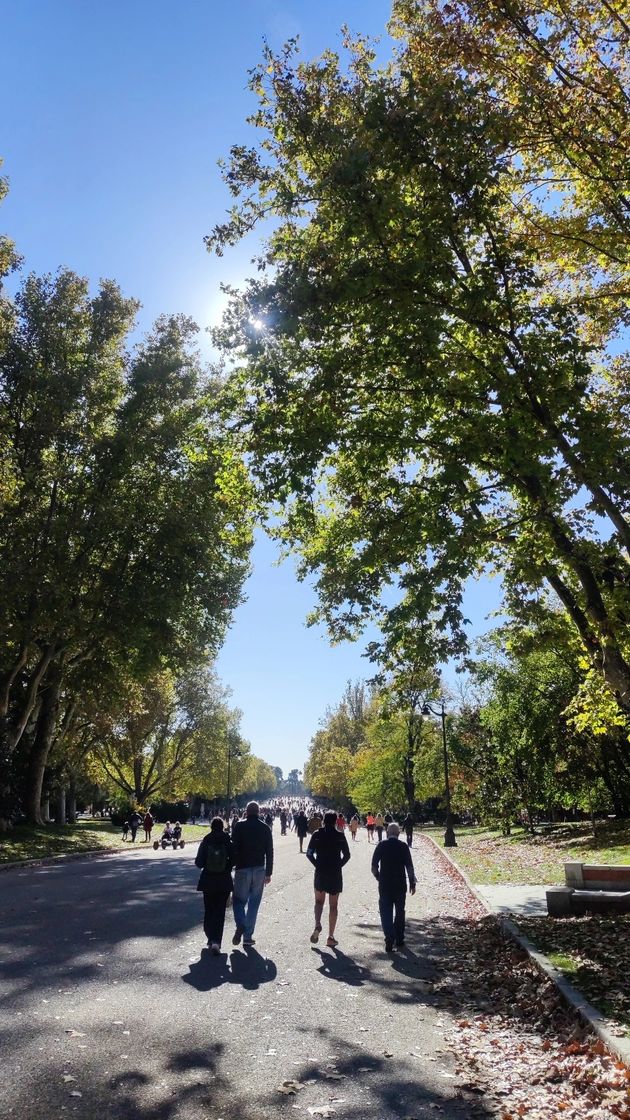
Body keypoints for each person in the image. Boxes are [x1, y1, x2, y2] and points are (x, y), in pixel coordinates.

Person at [231, 801, 274, 947]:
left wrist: (232, 865)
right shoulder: (265, 828)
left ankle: (241, 924)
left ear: (247, 812)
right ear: (259, 812)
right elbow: (270, 852)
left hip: (242, 867)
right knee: (254, 903)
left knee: (238, 901)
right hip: (259, 868)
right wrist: (269, 872)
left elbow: (233, 847)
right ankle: (247, 936)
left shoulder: (239, 826)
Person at [306, 809, 351, 948]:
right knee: (333, 905)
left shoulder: (317, 834)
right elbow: (347, 855)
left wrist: (317, 865)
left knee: (319, 902)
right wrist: (339, 865)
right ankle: (330, 937)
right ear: (336, 820)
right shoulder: (340, 835)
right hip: (335, 873)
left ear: (324, 820)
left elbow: (309, 853)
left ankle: (317, 924)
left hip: (320, 872)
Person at [371, 822, 416, 952]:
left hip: (385, 883)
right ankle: (399, 937)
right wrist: (412, 883)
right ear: (398, 834)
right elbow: (409, 867)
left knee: (386, 912)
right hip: (400, 884)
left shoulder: (381, 845)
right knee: (400, 911)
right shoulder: (403, 846)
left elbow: (373, 867)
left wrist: (379, 877)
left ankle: (389, 936)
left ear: (387, 833)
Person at [195, 816, 234, 954]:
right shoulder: (227, 840)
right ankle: (217, 941)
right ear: (222, 826)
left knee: (209, 910)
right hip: (223, 880)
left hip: (208, 880)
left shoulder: (207, 839)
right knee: (220, 912)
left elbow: (199, 862)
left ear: (211, 826)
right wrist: (227, 867)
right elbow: (234, 859)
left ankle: (210, 937)